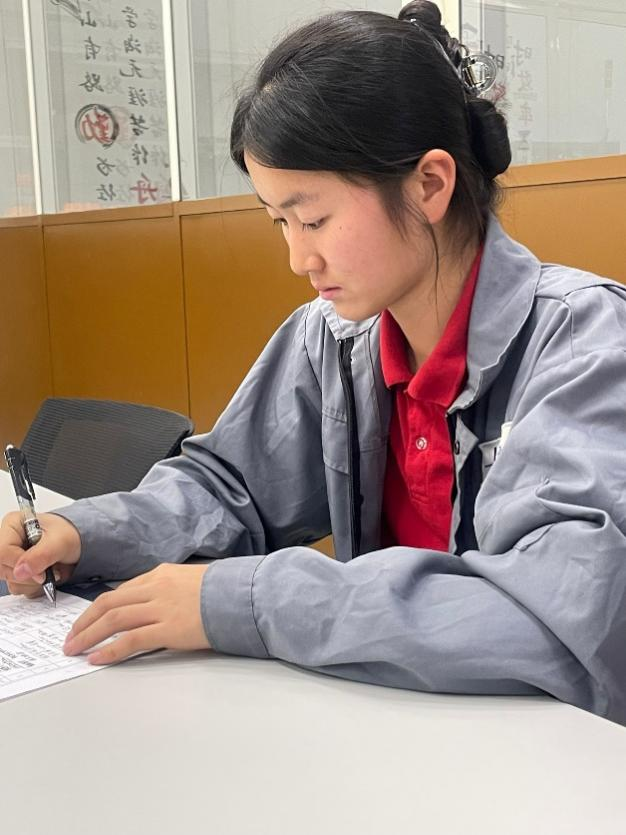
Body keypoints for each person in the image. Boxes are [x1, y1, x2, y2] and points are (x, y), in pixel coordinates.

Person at [2, 1, 626, 724]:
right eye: (280, 223)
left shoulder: (583, 344)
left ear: (430, 184)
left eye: (315, 219)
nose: (299, 258)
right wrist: (92, 534)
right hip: (397, 723)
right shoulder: (331, 338)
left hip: (548, 754)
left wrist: (248, 598)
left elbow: (550, 619)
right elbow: (231, 486)